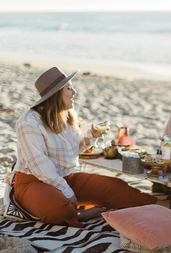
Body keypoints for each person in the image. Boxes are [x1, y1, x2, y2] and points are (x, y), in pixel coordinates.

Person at [13, 67, 157, 228]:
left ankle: (157, 206)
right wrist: (66, 191)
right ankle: (80, 214)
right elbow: (38, 165)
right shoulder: (29, 121)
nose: (74, 92)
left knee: (116, 187)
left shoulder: (66, 117)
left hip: (66, 178)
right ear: (55, 94)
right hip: (33, 182)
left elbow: (72, 151)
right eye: (69, 88)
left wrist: (92, 134)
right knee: (58, 209)